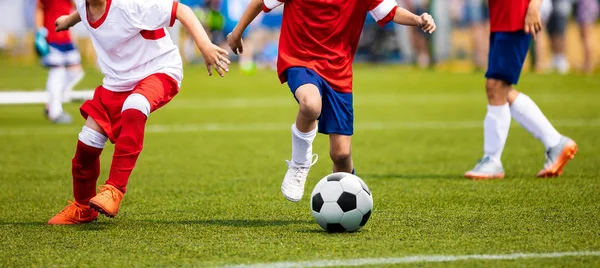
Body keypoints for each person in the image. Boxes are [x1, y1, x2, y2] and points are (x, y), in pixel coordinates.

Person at [227, 0, 436, 202]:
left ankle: (350, 201)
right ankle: (300, 163)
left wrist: (418, 19)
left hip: (338, 71)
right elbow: (259, 2)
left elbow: (390, 11)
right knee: (310, 104)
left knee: (341, 153)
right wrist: (236, 34)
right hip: (300, 59)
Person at [48, 0, 230, 225]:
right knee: (87, 143)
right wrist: (68, 21)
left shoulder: (130, 5)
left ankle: (114, 189)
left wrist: (205, 45)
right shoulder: (85, 6)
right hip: (116, 82)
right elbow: (85, 10)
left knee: (135, 106)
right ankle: (83, 208)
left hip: (159, 70)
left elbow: (181, 10)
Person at [464, 0, 577, 180]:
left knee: (496, 86)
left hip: (517, 16)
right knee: (499, 89)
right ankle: (555, 142)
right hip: (502, 16)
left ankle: (492, 160)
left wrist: (534, 7)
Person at [35, 0, 85, 124]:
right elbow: (39, 8)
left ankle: (51, 103)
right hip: (51, 34)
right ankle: (55, 112)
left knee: (76, 71)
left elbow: (78, 8)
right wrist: (39, 31)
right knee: (57, 71)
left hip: (66, 36)